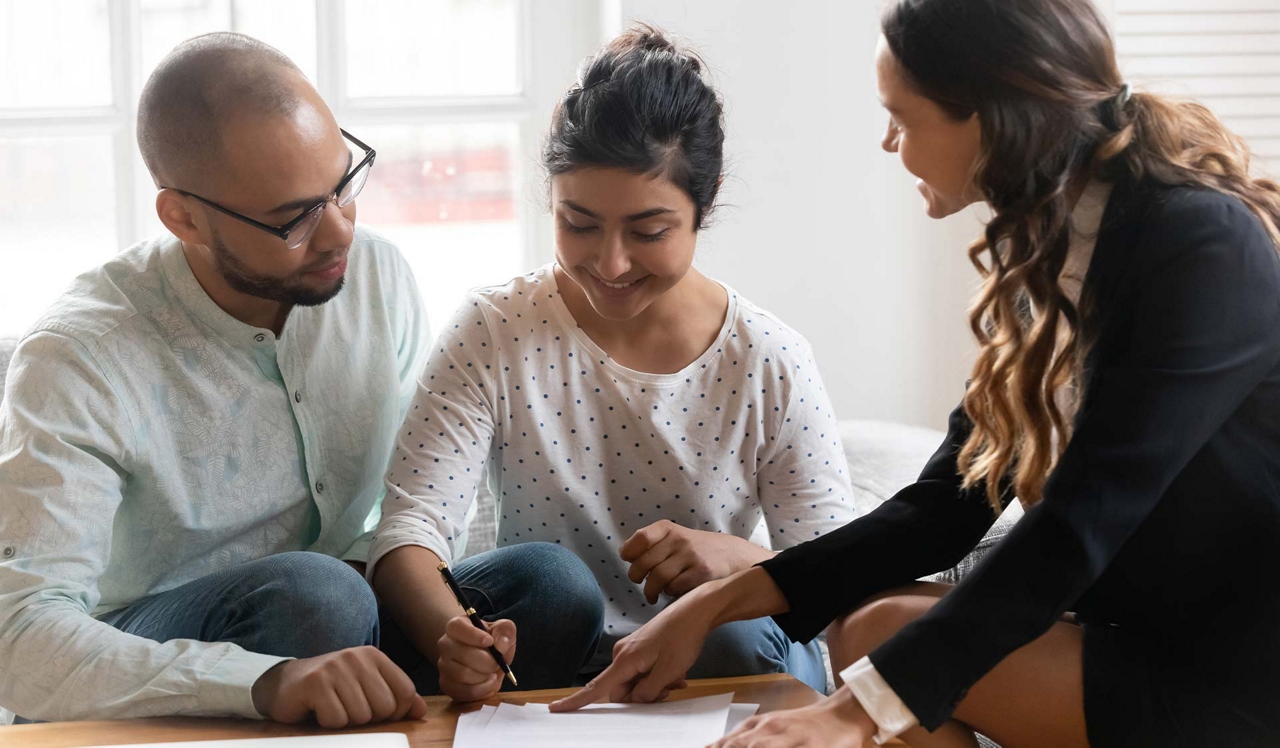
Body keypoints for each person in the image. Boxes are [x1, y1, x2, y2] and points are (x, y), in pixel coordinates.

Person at [549, 1, 1280, 747]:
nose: (889, 140)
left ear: (990, 118)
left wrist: (847, 716)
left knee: (878, 644)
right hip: (1138, 636)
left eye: (902, 115)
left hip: (1235, 675)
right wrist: (708, 606)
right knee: (868, 622)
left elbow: (1081, 521)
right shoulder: (1047, 255)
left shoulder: (1200, 244)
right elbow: (941, 509)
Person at [367, 26, 855, 703]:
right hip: (548, 652)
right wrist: (454, 632)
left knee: (728, 628)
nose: (612, 263)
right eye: (580, 224)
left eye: (649, 232)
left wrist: (737, 562)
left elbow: (845, 576)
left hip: (713, 660)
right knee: (551, 583)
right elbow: (409, 529)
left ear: (704, 200)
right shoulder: (496, 328)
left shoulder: (770, 360)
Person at [0, 33, 432, 727]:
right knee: (318, 596)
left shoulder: (377, 275)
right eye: (294, 218)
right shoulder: (79, 356)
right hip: (150, 662)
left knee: (545, 586)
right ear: (184, 218)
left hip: (341, 624)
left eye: (344, 184)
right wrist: (262, 683)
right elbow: (18, 642)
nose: (340, 234)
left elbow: (410, 502)